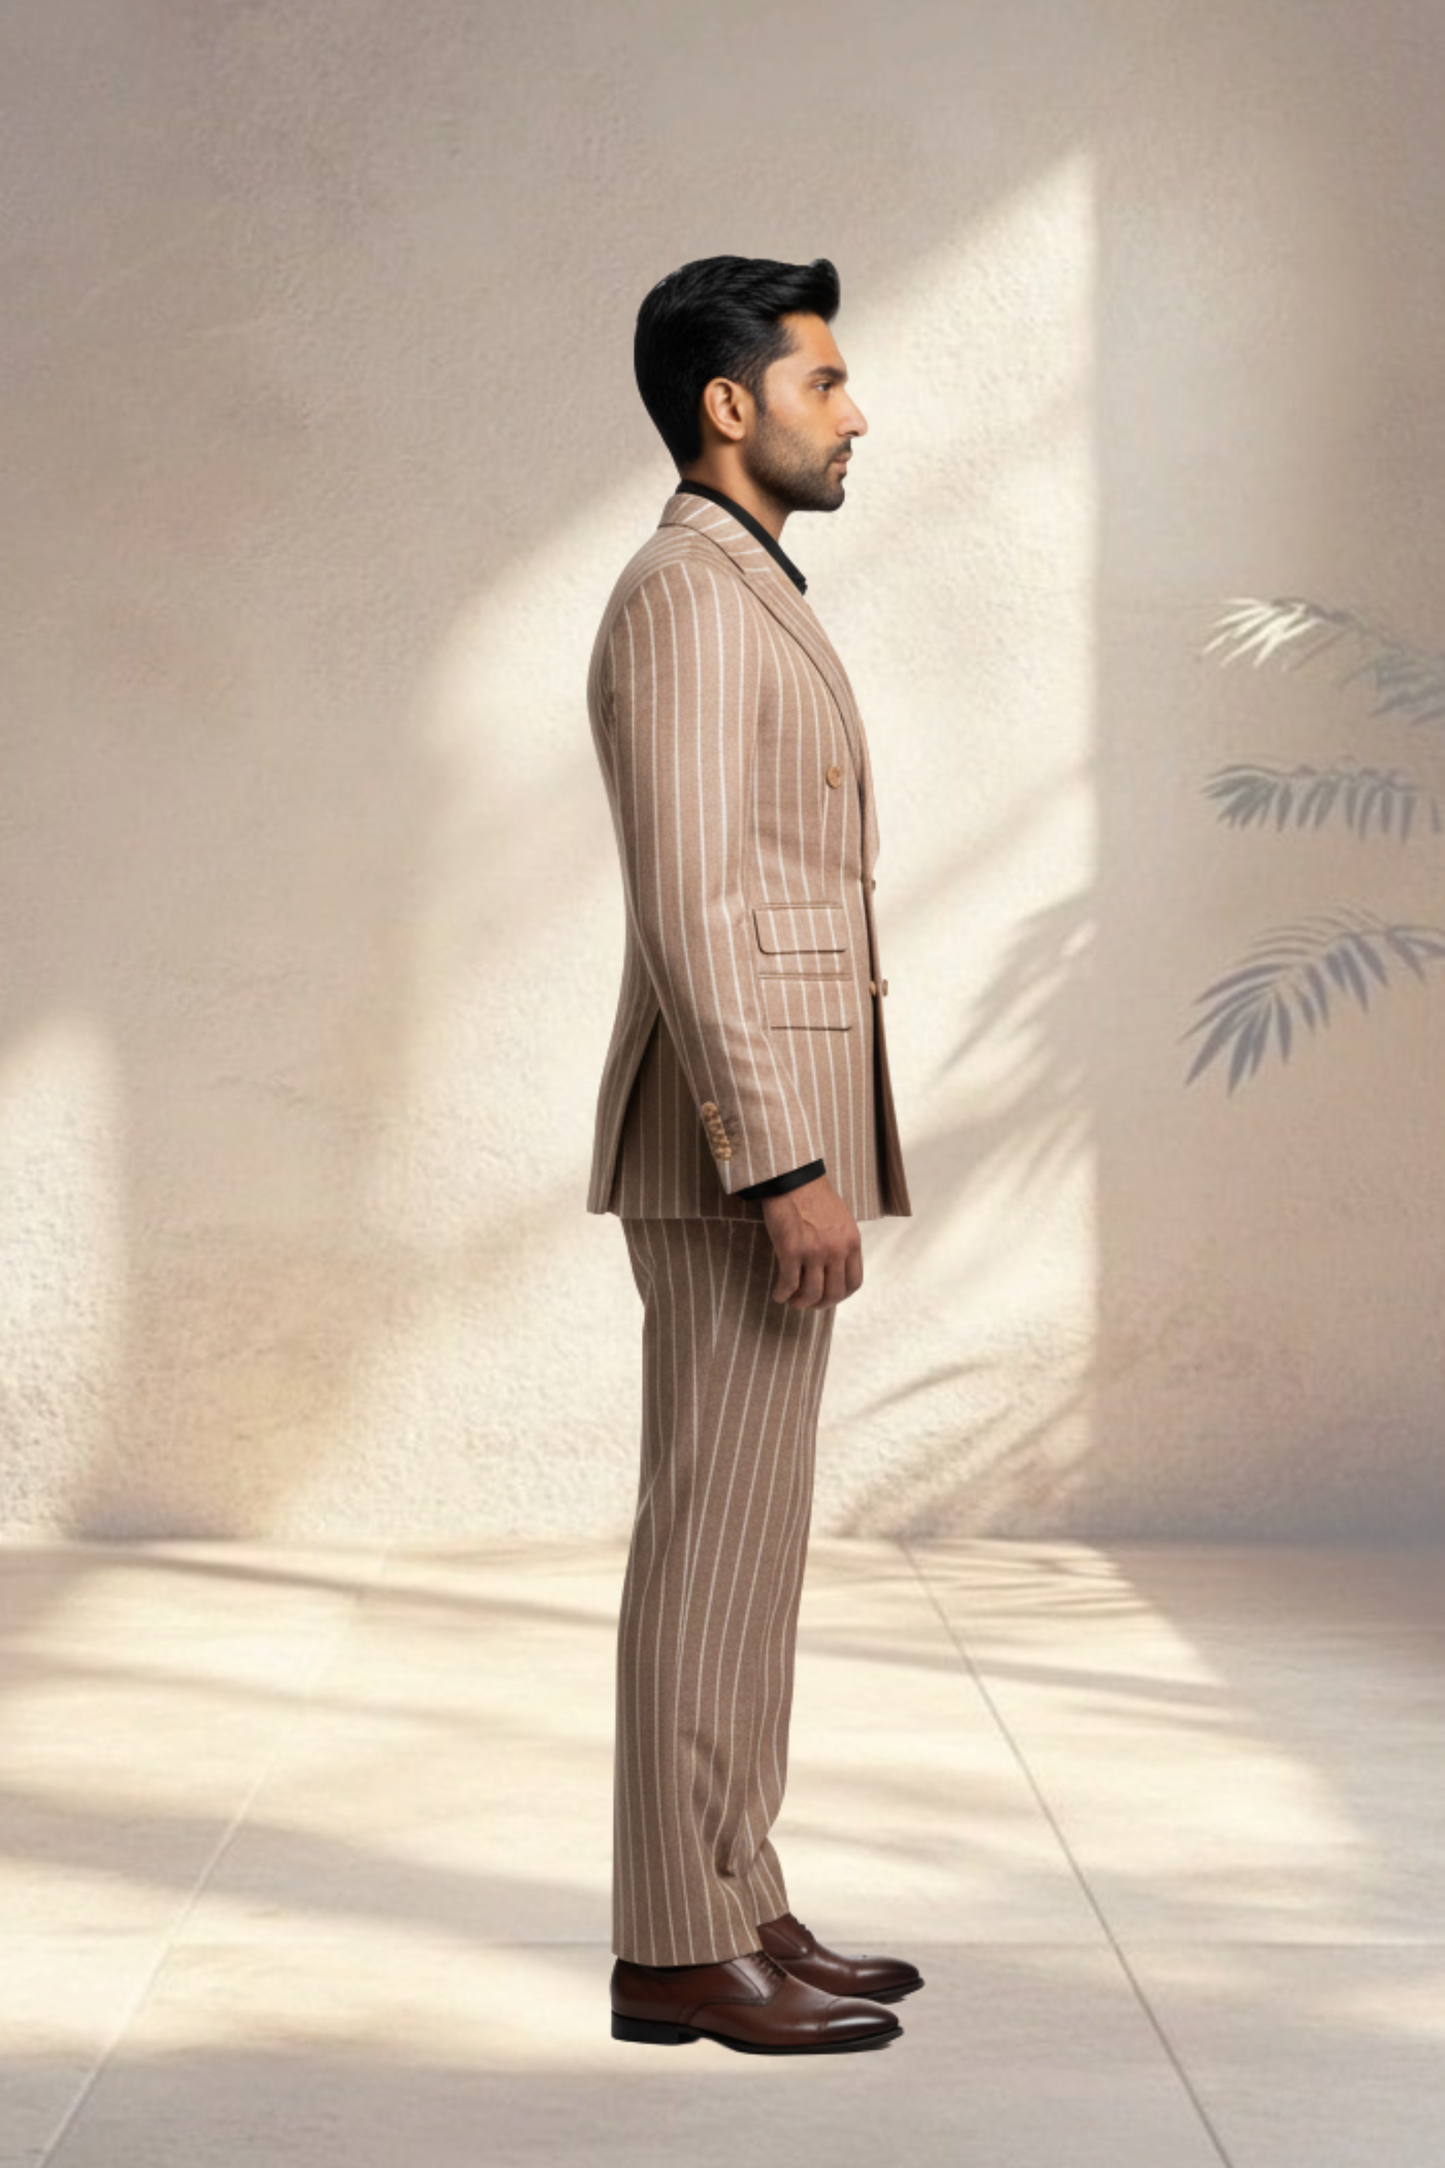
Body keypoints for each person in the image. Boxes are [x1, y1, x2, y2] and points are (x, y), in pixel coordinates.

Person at [584, 253, 919, 2055]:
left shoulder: (742, 582)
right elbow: (699, 901)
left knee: (752, 1545)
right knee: (712, 1536)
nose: (854, 412)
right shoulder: (687, 595)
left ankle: (736, 1892)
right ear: (732, 406)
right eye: (825, 382)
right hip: (737, 1143)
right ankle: (671, 1945)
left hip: (770, 1124)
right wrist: (780, 1158)